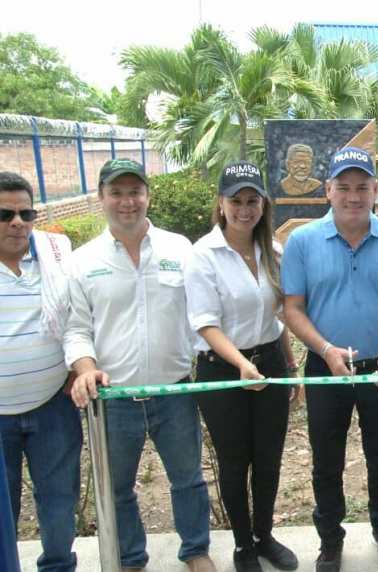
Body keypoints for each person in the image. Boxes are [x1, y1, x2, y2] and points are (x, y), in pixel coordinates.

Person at [65, 159, 214, 572]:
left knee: (188, 479)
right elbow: (76, 329)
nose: (127, 201)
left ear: (148, 195)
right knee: (117, 489)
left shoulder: (179, 249)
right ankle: (131, 557)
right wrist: (84, 368)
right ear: (101, 198)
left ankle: (196, 550)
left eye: (135, 191)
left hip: (175, 391)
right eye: (116, 193)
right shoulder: (82, 261)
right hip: (114, 399)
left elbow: (203, 314)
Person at [282, 146, 378, 572]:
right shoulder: (302, 241)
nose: (353, 196)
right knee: (327, 460)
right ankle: (330, 540)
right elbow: (293, 308)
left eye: (363, 187)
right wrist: (324, 349)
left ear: (376, 190)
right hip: (326, 366)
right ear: (328, 190)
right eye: (344, 187)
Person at [184, 161, 299, 572]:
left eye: (253, 200)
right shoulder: (202, 255)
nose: (245, 209)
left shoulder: (273, 251)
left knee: (268, 458)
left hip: (268, 362)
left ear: (264, 205)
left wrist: (288, 363)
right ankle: (242, 544)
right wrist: (241, 366)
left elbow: (277, 316)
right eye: (236, 201)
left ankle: (264, 535)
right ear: (221, 204)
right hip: (221, 368)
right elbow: (205, 323)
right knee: (235, 461)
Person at [0, 172, 81, 572]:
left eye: (25, 213)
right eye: (5, 214)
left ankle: (58, 566)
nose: (17, 222)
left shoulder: (54, 259)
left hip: (53, 408)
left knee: (59, 502)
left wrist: (75, 366)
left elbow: (80, 318)